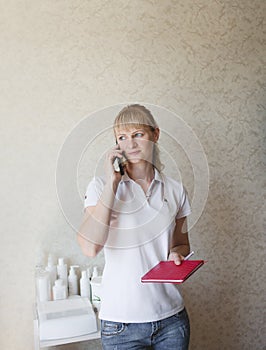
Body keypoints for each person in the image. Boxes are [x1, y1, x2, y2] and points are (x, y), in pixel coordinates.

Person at [77, 104, 191, 350]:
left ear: (155, 134)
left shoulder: (175, 190)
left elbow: (182, 243)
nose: (131, 143)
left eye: (138, 134)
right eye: (122, 137)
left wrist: (176, 254)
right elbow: (89, 247)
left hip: (172, 321)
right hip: (121, 325)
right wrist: (113, 183)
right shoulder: (100, 187)